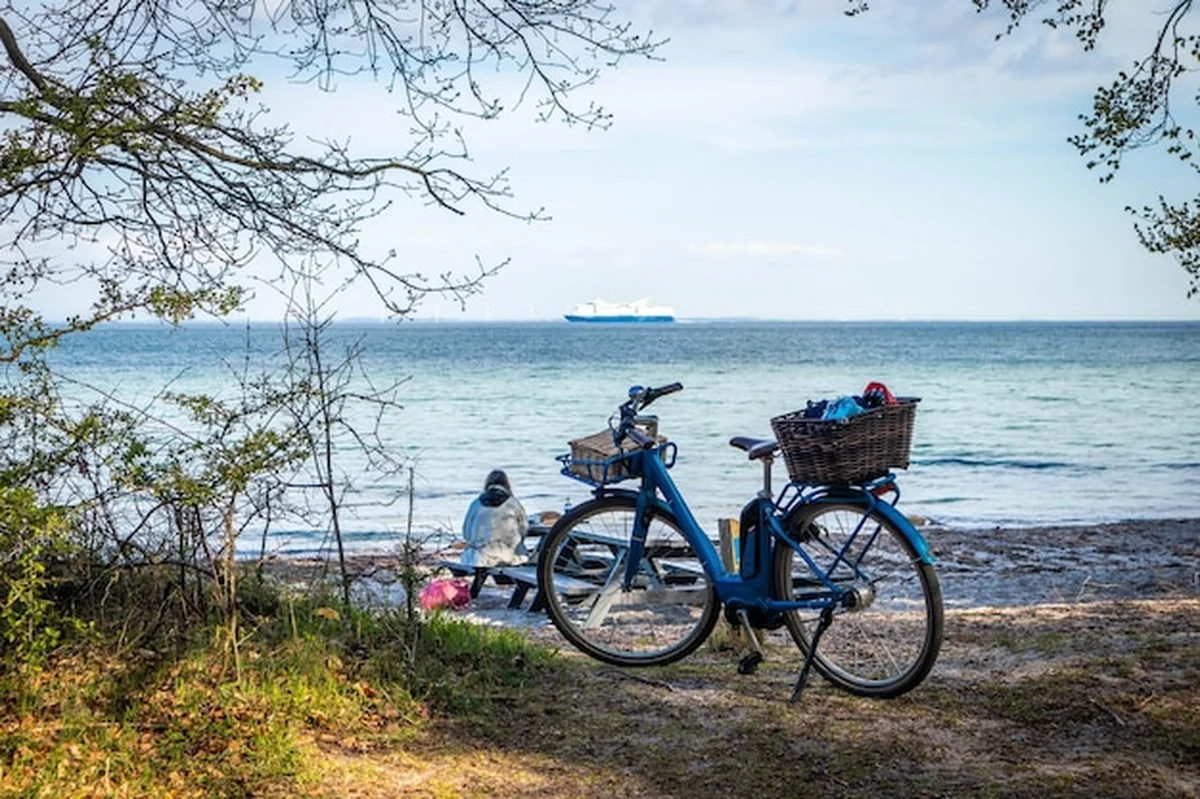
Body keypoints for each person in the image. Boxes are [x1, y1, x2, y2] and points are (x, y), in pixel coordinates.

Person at [460, 469, 529, 569]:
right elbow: (523, 531)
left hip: (477, 558)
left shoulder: (476, 503)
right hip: (506, 556)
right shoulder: (513, 504)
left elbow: (466, 533)